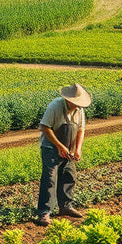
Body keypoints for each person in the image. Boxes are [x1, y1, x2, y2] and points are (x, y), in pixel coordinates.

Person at [34, 83, 90, 226]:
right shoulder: (55, 106)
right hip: (51, 147)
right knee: (50, 179)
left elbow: (81, 130)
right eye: (74, 103)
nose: (76, 105)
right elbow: (45, 127)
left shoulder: (79, 110)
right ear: (67, 99)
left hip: (69, 148)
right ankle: (44, 212)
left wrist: (78, 149)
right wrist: (59, 146)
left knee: (69, 175)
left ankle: (65, 206)